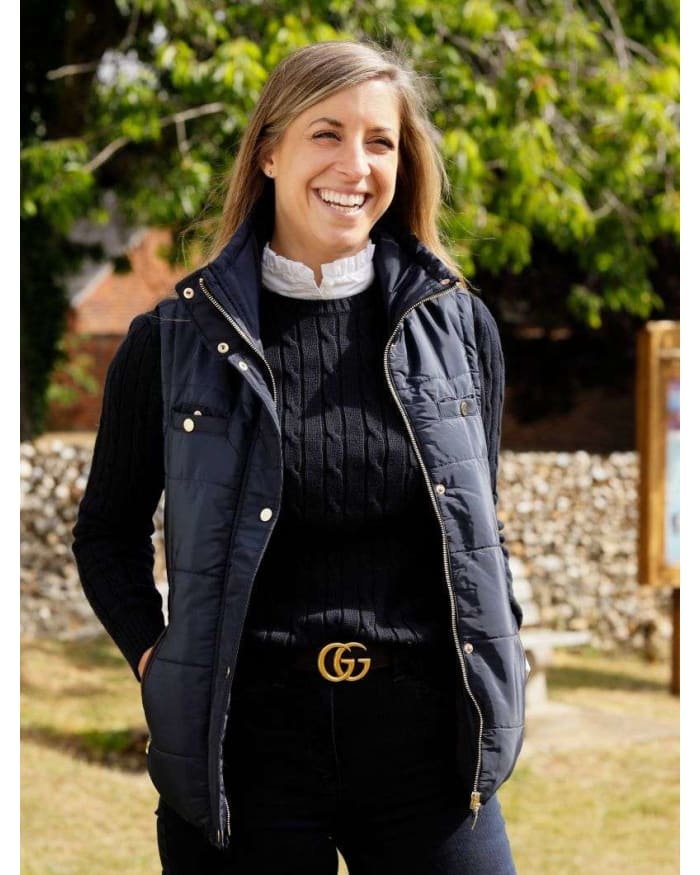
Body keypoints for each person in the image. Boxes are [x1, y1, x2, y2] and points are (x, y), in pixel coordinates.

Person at [72, 39, 527, 875]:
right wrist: (157, 657)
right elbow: (105, 533)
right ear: (270, 151)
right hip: (246, 752)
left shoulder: (461, 330)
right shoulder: (171, 341)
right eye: (328, 133)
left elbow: (475, 528)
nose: (355, 163)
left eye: (380, 141)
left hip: (427, 747)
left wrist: (501, 651)